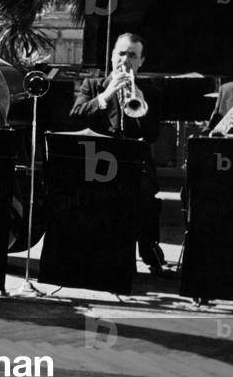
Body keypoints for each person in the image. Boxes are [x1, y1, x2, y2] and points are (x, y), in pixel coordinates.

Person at [70, 33, 169, 276]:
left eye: (132, 55)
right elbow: (75, 117)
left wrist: (141, 104)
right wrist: (105, 96)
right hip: (98, 162)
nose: (125, 60)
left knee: (144, 193)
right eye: (121, 54)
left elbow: (153, 134)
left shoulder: (151, 92)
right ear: (112, 56)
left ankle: (148, 249)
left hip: (136, 164)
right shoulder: (93, 86)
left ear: (141, 61)